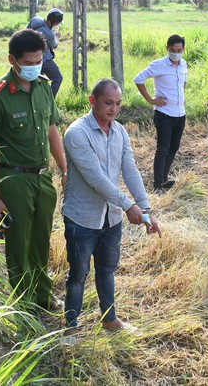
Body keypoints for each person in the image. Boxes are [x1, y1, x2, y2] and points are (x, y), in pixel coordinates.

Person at [62, 79, 161, 335]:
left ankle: (109, 319)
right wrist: (129, 206)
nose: (114, 109)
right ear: (92, 101)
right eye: (108, 103)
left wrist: (145, 208)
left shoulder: (120, 132)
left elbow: (129, 169)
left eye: (118, 103)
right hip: (82, 218)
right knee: (78, 275)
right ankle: (71, 328)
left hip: (111, 217)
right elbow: (96, 179)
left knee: (106, 270)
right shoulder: (77, 133)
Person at [0, 28, 67, 312]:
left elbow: (52, 129)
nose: (34, 67)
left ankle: (43, 295)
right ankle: (24, 304)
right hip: (13, 178)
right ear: (12, 61)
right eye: (28, 63)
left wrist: (64, 168)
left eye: (39, 61)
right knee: (19, 244)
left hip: (42, 178)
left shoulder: (43, 86)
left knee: (41, 240)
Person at [134, 34, 188, 191]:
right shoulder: (158, 65)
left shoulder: (183, 64)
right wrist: (151, 100)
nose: (176, 53)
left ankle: (164, 178)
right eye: (173, 50)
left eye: (179, 50)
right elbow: (138, 79)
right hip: (164, 113)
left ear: (183, 49)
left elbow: (183, 83)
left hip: (180, 113)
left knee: (174, 147)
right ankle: (157, 184)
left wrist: (181, 98)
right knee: (163, 148)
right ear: (167, 48)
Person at [26, 8, 63, 97]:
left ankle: (37, 101)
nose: (57, 25)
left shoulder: (35, 20)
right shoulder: (49, 33)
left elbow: (25, 32)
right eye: (57, 22)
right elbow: (54, 45)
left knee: (37, 82)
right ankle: (49, 100)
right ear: (53, 21)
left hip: (30, 57)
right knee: (57, 78)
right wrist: (56, 37)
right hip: (44, 58)